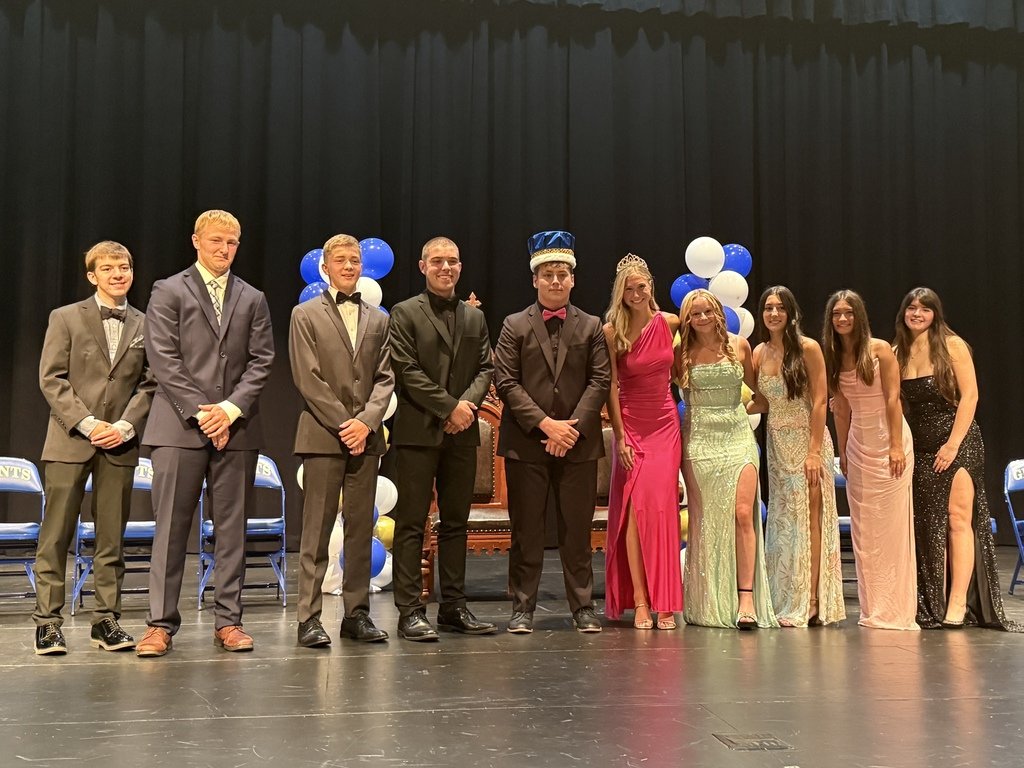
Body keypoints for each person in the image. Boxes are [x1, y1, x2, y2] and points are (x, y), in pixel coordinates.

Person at [137, 210, 274, 657]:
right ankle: (160, 624)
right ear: (196, 240)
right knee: (171, 529)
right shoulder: (169, 289)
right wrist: (204, 413)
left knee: (232, 529)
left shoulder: (252, 297)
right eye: (216, 240)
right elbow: (163, 359)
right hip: (178, 428)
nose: (224, 249)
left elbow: (261, 361)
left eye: (232, 242)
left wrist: (230, 410)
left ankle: (229, 622)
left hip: (236, 429)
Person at [33, 241, 155, 655]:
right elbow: (52, 378)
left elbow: (151, 383)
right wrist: (87, 423)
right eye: (108, 269)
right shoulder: (65, 317)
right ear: (92, 276)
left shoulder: (145, 322)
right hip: (70, 440)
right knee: (55, 536)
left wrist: (123, 426)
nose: (118, 274)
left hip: (119, 443)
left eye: (124, 267)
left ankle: (106, 620)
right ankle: (48, 623)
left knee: (111, 539)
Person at [493, 230, 611, 634]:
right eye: (548, 274)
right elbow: (506, 382)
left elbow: (600, 381)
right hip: (528, 443)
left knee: (577, 532)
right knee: (525, 530)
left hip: (578, 445)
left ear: (573, 279)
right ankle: (522, 607)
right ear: (534, 279)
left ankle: (582, 607)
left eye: (562, 273)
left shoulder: (593, 325)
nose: (556, 281)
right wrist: (546, 425)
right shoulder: (513, 325)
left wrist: (569, 430)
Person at [388, 236, 496, 641]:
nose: (445, 267)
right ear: (422, 266)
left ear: (460, 266)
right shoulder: (403, 313)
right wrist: (449, 407)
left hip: (462, 433)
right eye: (437, 261)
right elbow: (406, 369)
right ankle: (410, 610)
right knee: (412, 523)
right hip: (418, 432)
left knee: (456, 524)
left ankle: (453, 606)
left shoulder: (474, 317)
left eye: (452, 261)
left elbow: (485, 368)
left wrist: (464, 408)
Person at [289, 234, 394, 646]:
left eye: (354, 260)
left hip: (365, 439)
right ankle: (309, 618)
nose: (349, 266)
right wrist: (344, 424)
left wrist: (366, 422)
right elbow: (307, 378)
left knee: (358, 529)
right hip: (322, 436)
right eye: (341, 260)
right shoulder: (305, 314)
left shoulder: (379, 319)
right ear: (326, 267)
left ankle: (356, 614)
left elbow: (386, 378)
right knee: (315, 531)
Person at [895, 287, 1019, 630]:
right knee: (927, 525)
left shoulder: (953, 346)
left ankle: (958, 601)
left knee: (957, 520)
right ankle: (933, 598)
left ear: (936, 314)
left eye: (924, 309)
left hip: (958, 442)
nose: (917, 314)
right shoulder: (898, 352)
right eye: (911, 308)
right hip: (919, 448)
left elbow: (970, 397)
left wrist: (951, 445)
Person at [677, 289, 776, 629]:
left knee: (743, 512)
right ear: (687, 319)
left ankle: (745, 597)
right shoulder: (681, 351)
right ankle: (707, 598)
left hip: (736, 437)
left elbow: (758, 395)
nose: (702, 318)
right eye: (694, 314)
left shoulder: (740, 346)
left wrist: (739, 410)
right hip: (700, 441)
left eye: (707, 311)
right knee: (706, 521)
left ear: (718, 311)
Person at [749, 286, 845, 627]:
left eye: (780, 308)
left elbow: (821, 400)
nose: (774, 314)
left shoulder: (808, 348)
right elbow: (761, 402)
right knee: (785, 523)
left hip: (808, 441)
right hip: (776, 444)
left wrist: (815, 451)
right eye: (768, 308)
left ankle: (813, 599)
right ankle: (784, 596)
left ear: (791, 313)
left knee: (810, 519)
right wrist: (725, 409)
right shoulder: (759, 353)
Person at [823, 289, 917, 630]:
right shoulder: (832, 354)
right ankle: (873, 608)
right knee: (865, 531)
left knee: (891, 528)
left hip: (888, 440)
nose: (843, 319)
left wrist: (894, 446)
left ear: (859, 315)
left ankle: (896, 609)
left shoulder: (879, 350)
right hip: (858, 446)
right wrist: (842, 450)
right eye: (837, 314)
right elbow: (842, 409)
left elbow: (893, 399)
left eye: (848, 313)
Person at [602, 254, 682, 630]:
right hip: (631, 424)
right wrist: (619, 436)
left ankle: (666, 599)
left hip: (666, 423)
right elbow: (612, 386)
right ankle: (639, 600)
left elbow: (684, 371)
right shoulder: (611, 330)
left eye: (641, 286)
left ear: (651, 285)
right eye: (629, 288)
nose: (636, 293)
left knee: (662, 510)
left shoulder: (670, 322)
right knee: (634, 512)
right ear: (621, 292)